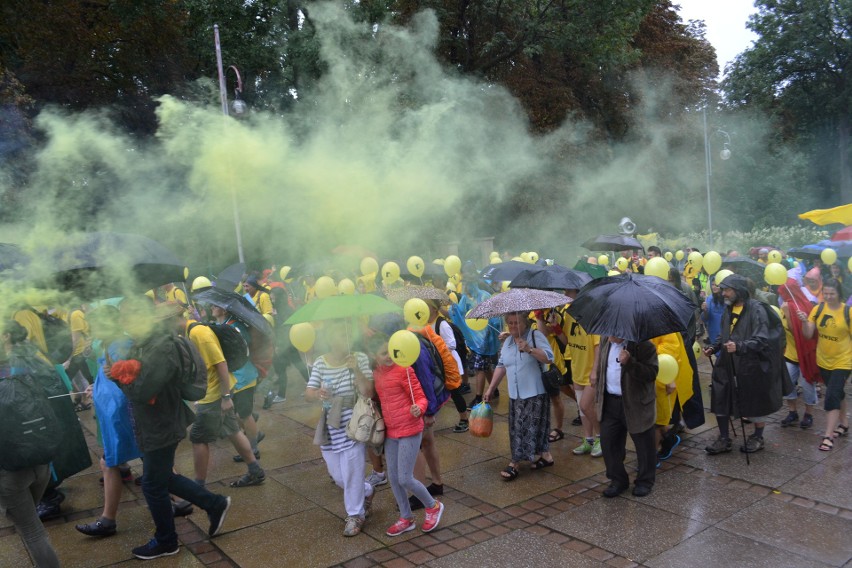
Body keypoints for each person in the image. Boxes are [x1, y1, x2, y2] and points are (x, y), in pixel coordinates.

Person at [110, 301, 231, 560]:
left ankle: (167, 540)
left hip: (161, 424)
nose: (123, 324)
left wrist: (119, 379)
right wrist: (125, 369)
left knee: (153, 484)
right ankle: (214, 503)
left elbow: (143, 391)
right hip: (154, 423)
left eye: (127, 318)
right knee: (163, 478)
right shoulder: (144, 342)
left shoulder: (160, 346)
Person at [177, 309, 266, 488]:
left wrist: (226, 397)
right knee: (232, 430)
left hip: (214, 394)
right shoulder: (190, 332)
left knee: (198, 437)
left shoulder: (198, 333)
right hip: (214, 392)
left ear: (173, 320)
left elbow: (221, 364)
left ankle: (198, 486)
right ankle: (255, 471)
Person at [75, 305, 141, 537]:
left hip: (121, 416)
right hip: (115, 415)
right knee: (144, 457)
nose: (91, 330)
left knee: (111, 462)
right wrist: (97, 386)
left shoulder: (121, 346)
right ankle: (180, 500)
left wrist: (102, 390)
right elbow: (108, 377)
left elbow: (124, 385)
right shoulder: (108, 344)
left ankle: (107, 520)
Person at [368, 335, 444, 536]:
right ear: (374, 356)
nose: (389, 357)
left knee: (404, 477)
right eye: (384, 353)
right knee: (393, 477)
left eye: (392, 352)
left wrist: (419, 408)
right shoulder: (376, 374)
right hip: (391, 431)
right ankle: (406, 517)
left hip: (410, 428)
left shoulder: (405, 370)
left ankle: (432, 505)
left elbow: (421, 397)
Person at [0, 321, 61, 568]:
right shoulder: (25, 370)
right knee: (30, 524)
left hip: (11, 471)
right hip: (41, 463)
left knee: (33, 532)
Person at [703, 274, 786, 454]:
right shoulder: (729, 308)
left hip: (750, 364)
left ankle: (757, 436)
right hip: (726, 361)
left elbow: (763, 339)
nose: (724, 293)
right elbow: (725, 333)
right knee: (720, 396)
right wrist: (714, 346)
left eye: (727, 290)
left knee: (754, 400)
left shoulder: (757, 310)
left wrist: (740, 346)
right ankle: (724, 438)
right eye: (723, 290)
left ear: (739, 291)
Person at [305, 323, 375, 537]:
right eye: (336, 334)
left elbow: (368, 392)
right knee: (339, 477)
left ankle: (355, 515)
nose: (343, 339)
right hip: (329, 426)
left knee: (352, 473)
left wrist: (355, 370)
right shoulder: (320, 362)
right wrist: (318, 393)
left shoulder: (360, 358)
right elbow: (308, 392)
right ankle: (367, 491)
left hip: (354, 426)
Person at [483, 312, 554, 481]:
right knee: (517, 428)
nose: (513, 326)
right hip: (515, 394)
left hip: (535, 392)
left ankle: (514, 463)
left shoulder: (535, 336)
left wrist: (529, 349)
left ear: (525, 323)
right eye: (510, 323)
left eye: (516, 323)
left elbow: (550, 358)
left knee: (527, 427)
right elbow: (501, 365)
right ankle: (546, 455)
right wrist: (490, 388)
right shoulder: (507, 341)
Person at [593, 336, 659, 497]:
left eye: (613, 332)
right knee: (609, 443)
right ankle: (618, 480)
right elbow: (603, 366)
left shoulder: (644, 345)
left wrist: (630, 362)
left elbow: (651, 373)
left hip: (636, 403)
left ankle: (645, 481)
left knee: (644, 444)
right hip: (610, 401)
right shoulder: (605, 341)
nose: (609, 336)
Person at [799, 278, 851, 451]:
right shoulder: (818, 308)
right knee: (838, 392)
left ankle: (828, 436)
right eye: (826, 293)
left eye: (832, 294)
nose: (828, 297)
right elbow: (808, 334)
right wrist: (804, 322)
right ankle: (843, 423)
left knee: (831, 396)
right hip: (823, 360)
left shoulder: (848, 312)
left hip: (844, 360)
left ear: (839, 294)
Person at [209, 305, 263, 462]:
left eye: (215, 306)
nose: (212, 308)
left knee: (244, 415)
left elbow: (239, 349)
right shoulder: (224, 325)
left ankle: (253, 449)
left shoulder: (234, 327)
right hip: (235, 377)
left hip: (243, 376)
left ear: (224, 310)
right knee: (237, 413)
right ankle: (255, 433)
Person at [562, 289, 603, 458]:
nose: (565, 293)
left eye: (568, 291)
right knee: (581, 408)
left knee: (586, 405)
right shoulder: (568, 313)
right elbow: (567, 340)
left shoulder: (592, 314)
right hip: (577, 367)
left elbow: (598, 345)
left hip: (590, 370)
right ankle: (588, 439)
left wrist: (595, 371)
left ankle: (602, 438)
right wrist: (556, 328)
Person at [778, 279, 819, 429]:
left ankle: (808, 414)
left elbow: (796, 332)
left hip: (805, 354)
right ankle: (792, 412)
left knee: (808, 384)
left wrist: (788, 314)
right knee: (788, 384)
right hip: (790, 353)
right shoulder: (785, 306)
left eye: (782, 293)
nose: (781, 296)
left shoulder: (803, 307)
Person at [701, 280, 725, 346]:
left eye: (716, 285)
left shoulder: (727, 299)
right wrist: (704, 311)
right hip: (713, 332)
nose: (714, 287)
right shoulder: (709, 299)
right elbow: (705, 318)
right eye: (712, 284)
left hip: (725, 332)